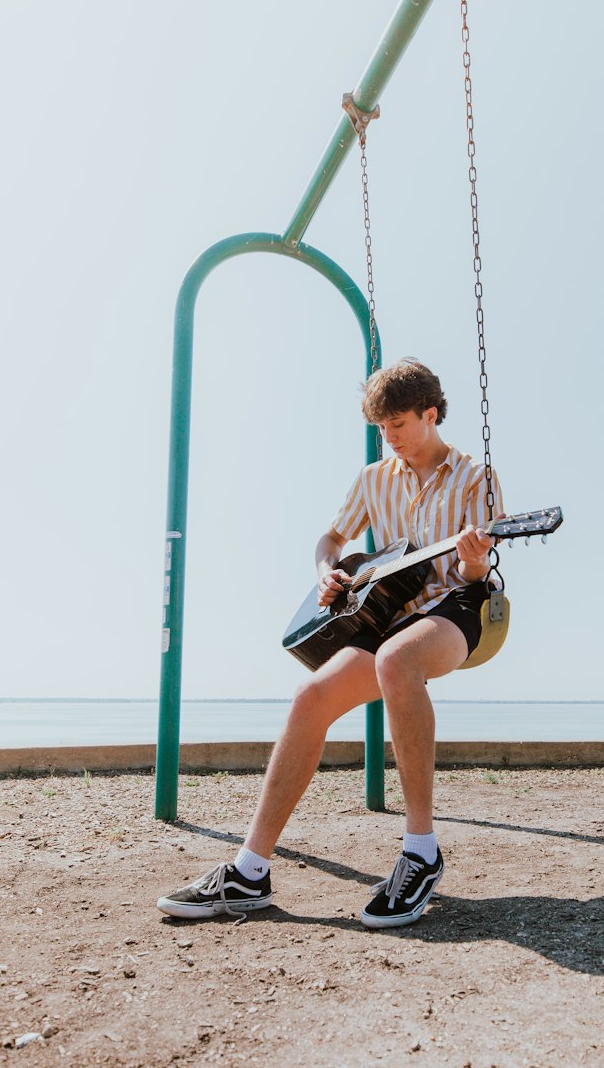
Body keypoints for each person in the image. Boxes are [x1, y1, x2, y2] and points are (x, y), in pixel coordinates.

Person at [156, 358, 502, 929]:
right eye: (381, 429)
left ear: (431, 414)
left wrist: (471, 560)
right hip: (388, 606)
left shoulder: (476, 479)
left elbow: (474, 576)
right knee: (309, 696)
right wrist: (327, 570)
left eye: (398, 425)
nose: (388, 438)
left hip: (457, 606)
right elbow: (332, 536)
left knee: (397, 660)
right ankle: (249, 872)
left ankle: (421, 851)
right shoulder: (373, 478)